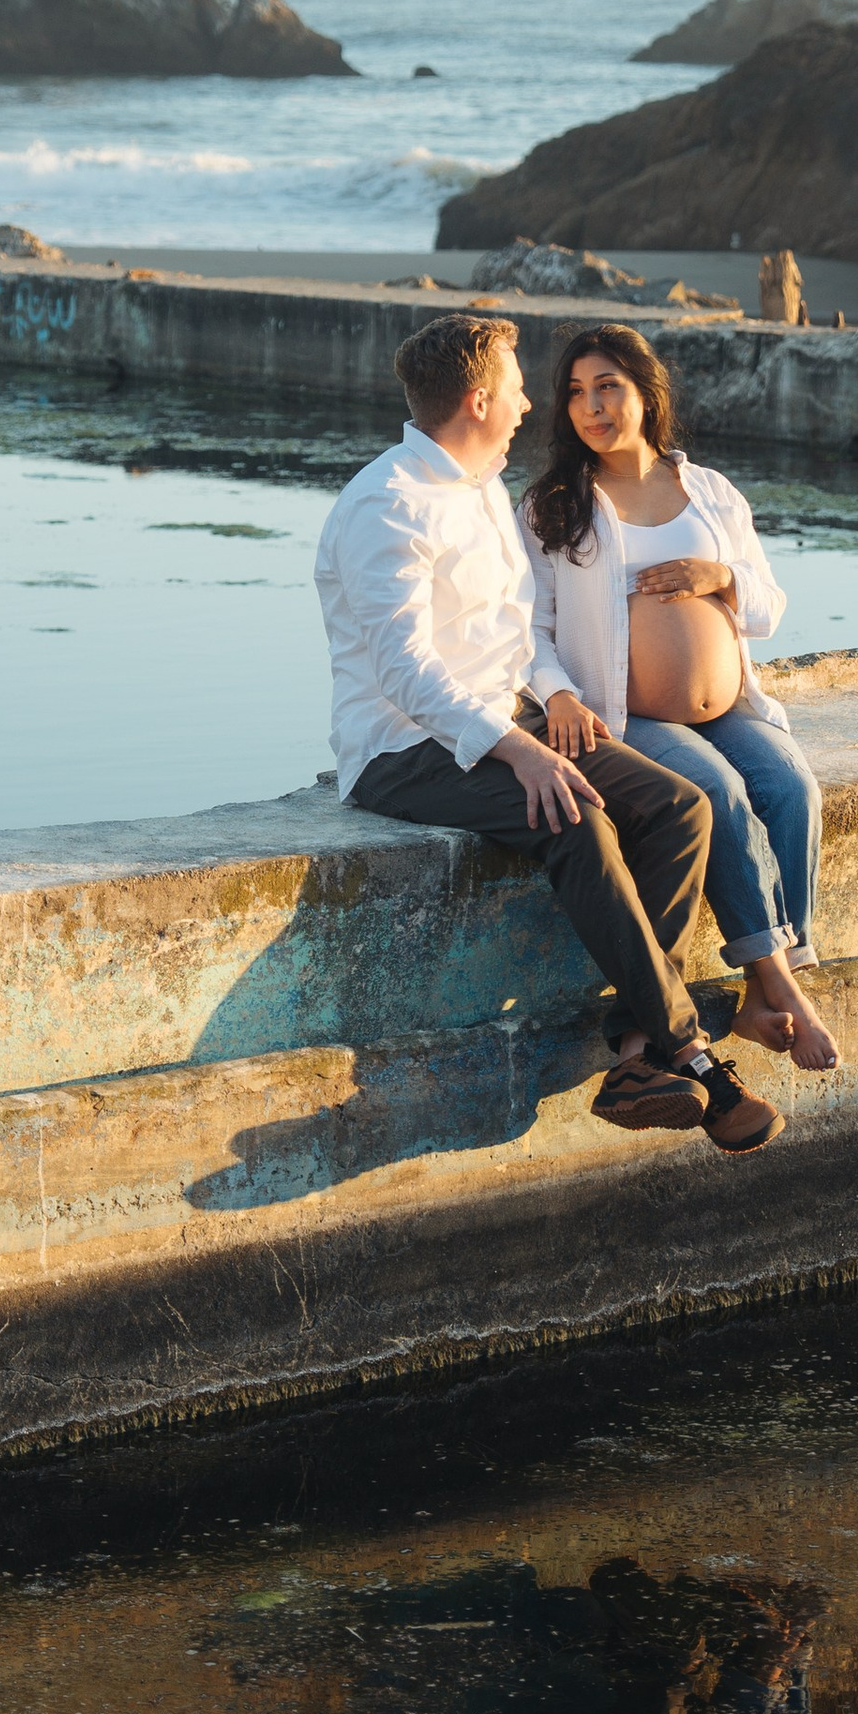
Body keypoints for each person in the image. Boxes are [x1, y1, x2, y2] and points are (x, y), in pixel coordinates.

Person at [315, 308, 780, 1153]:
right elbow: (404, 671)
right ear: (479, 399)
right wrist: (519, 749)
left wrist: (548, 706)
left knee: (681, 806)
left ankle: (637, 1059)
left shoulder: (483, 486)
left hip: (509, 717)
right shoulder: (387, 505)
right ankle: (690, 1056)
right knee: (577, 819)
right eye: (521, 389)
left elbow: (516, 633)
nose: (531, 406)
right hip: (405, 748)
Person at [518, 321, 839, 1072]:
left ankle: (766, 989)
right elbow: (526, 626)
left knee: (791, 786)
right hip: (623, 715)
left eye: (608, 387)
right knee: (719, 793)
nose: (592, 407)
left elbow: (768, 605)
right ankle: (781, 988)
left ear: (645, 392)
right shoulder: (554, 505)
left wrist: (719, 577)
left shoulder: (711, 493)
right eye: (576, 393)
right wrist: (557, 696)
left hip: (728, 708)